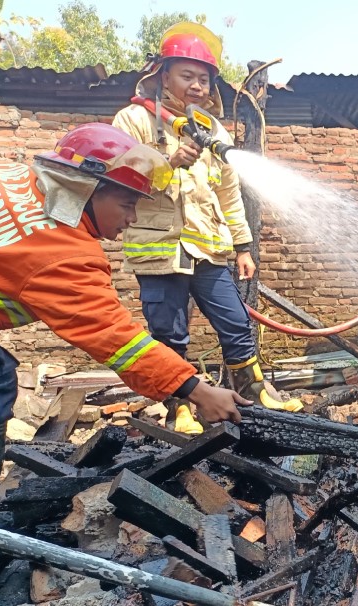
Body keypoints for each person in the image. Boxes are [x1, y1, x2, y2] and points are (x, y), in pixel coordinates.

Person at [0, 122, 249, 464]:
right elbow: (119, 341)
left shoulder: (17, 177)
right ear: (86, 188)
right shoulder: (62, 254)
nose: (132, 218)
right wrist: (200, 392)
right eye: (127, 204)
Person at [112, 22, 302, 433]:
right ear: (163, 75)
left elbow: (228, 192)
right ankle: (179, 406)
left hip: (209, 248)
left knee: (235, 320)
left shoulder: (213, 130)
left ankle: (253, 390)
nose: (197, 86)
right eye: (187, 76)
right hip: (159, 250)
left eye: (204, 78)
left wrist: (243, 246)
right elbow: (117, 177)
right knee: (169, 330)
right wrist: (167, 163)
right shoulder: (133, 121)